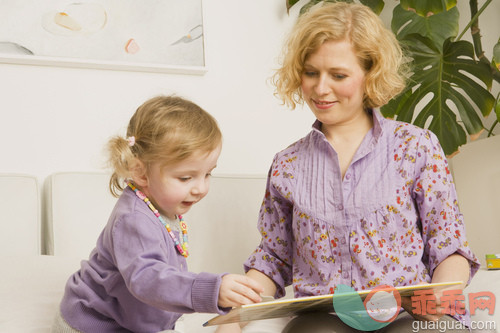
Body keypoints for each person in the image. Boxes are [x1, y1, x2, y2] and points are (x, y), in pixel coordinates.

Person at [216, 2, 480, 333]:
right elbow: (274, 259)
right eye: (311, 72)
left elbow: (450, 248)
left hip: (407, 315)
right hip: (324, 321)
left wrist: (440, 294)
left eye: (338, 75)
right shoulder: (287, 165)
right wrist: (237, 317)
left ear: (371, 74)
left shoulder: (417, 148)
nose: (320, 88)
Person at [51, 95, 264, 333]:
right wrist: (211, 289)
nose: (201, 188)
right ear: (141, 173)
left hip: (130, 321)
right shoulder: (133, 219)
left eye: (208, 174)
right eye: (185, 177)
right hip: (93, 325)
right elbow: (148, 278)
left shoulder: (163, 207)